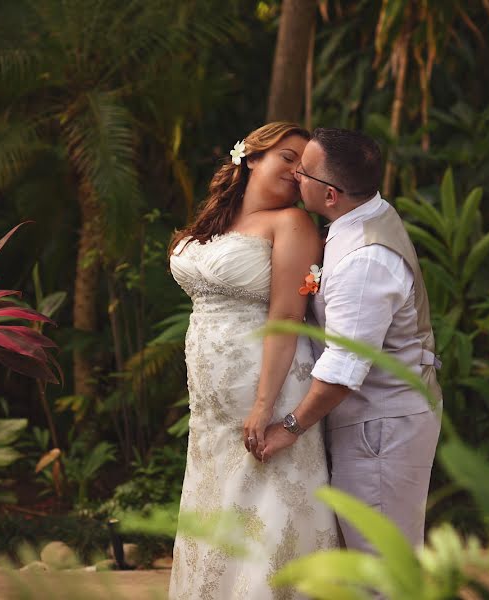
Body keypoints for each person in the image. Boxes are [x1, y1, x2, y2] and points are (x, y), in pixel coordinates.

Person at [168, 122, 338, 599]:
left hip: (270, 383)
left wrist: (265, 405)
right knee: (216, 502)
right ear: (251, 156)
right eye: (287, 156)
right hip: (210, 403)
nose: (295, 169)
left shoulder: (293, 223)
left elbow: (287, 313)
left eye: (304, 166)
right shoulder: (213, 224)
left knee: (266, 509)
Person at [259, 127, 443, 552]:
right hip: (377, 420)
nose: (294, 176)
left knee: (380, 564)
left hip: (382, 428)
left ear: (330, 196)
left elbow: (344, 369)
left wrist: (290, 428)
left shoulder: (365, 261)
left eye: (303, 172)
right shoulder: (364, 213)